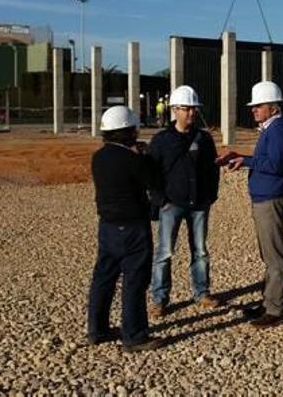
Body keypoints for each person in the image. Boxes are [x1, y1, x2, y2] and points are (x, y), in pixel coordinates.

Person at [218, 81, 283, 328]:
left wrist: (246, 161)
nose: (253, 110)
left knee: (274, 256)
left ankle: (275, 310)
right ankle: (269, 301)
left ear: (273, 107)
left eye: (258, 106)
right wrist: (242, 158)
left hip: (271, 199)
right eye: (254, 106)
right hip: (264, 198)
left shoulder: (278, 130)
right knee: (268, 254)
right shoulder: (271, 129)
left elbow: (276, 164)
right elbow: (267, 160)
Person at [87, 105, 161, 352]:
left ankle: (97, 329)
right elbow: (154, 180)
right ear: (128, 131)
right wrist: (145, 156)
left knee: (104, 278)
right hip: (132, 227)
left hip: (107, 226)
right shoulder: (132, 159)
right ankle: (134, 335)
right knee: (134, 281)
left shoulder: (98, 157)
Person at [147, 85, 223, 319]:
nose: (191, 113)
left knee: (200, 251)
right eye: (186, 108)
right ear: (175, 110)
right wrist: (161, 201)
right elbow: (151, 173)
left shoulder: (204, 138)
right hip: (172, 204)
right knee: (165, 252)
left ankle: (201, 293)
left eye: (193, 109)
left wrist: (211, 196)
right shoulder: (161, 141)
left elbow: (213, 169)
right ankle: (159, 298)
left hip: (200, 203)